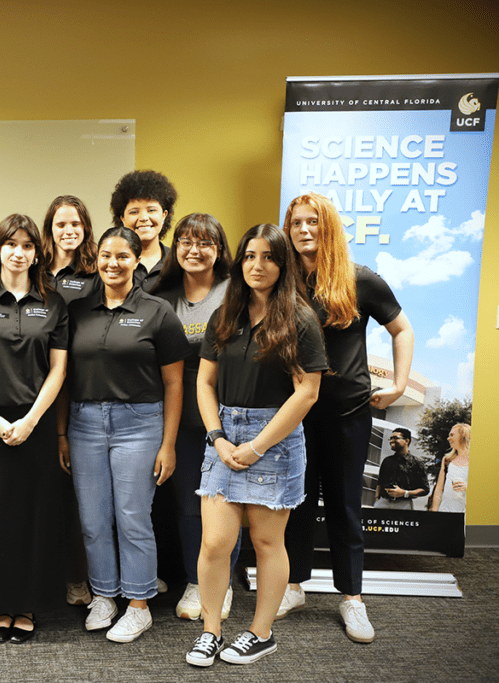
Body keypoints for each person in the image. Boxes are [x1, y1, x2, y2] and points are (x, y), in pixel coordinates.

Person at [186, 224, 327, 667]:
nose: (257, 265)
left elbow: (307, 393)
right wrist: (218, 437)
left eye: (267, 257)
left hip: (276, 439)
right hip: (224, 433)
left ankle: (260, 633)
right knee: (214, 543)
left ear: (282, 265)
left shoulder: (301, 320)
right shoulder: (224, 316)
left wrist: (259, 447)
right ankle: (211, 631)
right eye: (249, 256)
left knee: (268, 544)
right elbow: (204, 381)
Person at [280, 192, 413, 643]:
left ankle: (352, 598)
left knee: (344, 507)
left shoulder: (360, 280)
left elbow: (402, 328)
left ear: (328, 226)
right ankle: (293, 585)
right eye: (296, 222)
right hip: (294, 412)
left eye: (312, 222)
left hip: (348, 412)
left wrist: (397, 384)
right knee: (295, 503)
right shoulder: (284, 282)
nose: (303, 230)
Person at [65, 226, 189, 642]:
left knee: (133, 516)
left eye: (122, 256)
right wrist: (63, 434)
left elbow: (175, 384)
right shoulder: (78, 310)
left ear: (137, 260)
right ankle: (104, 596)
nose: (112, 264)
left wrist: (168, 444)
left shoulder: (157, 312)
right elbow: (64, 376)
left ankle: (138, 604)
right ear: (95, 259)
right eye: (105, 255)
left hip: (140, 424)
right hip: (84, 423)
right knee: (93, 519)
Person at [0, 214, 68, 644]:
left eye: (27, 245)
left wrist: (30, 420)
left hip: (35, 423)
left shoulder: (53, 302)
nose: (19, 252)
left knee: (34, 516)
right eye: (11, 244)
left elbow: (59, 369)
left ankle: (26, 606)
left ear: (36, 252)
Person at [151, 213, 238, 621]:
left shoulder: (237, 291)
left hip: (230, 409)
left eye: (205, 242)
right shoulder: (160, 295)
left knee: (227, 501)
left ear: (219, 250)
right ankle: (194, 579)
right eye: (185, 240)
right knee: (189, 504)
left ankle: (224, 583)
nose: (194, 249)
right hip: (178, 410)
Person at [42, 195, 98, 607]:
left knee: (76, 494)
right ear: (50, 229)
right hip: (34, 389)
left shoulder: (96, 274)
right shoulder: (35, 272)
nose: (69, 230)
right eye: (61, 224)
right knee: (42, 493)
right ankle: (42, 575)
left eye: (76, 223)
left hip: (80, 390)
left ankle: (78, 578)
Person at [109, 170, 178, 292]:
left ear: (164, 215)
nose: (144, 218)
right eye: (134, 212)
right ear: (122, 218)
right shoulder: (111, 264)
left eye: (151, 210)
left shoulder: (178, 262)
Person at [374, 428, 429, 509]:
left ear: (407, 441)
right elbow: (379, 483)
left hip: (403, 505)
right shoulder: (387, 461)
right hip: (383, 503)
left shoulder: (417, 463)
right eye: (391, 438)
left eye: (395, 438)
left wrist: (405, 493)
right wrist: (377, 500)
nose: (391, 441)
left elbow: (425, 489)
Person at [431, 423, 471, 512]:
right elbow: (439, 489)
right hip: (445, 511)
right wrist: (435, 510)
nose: (448, 438)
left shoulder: (477, 461)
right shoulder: (447, 460)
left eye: (452, 435)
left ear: (463, 435)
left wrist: (468, 488)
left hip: (466, 513)